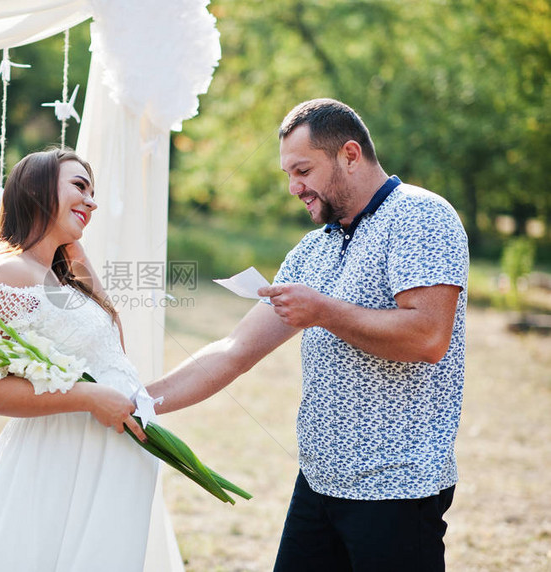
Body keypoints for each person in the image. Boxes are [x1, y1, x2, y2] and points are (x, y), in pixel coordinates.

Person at [148, 98, 469, 571]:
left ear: (350, 155)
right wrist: (140, 400)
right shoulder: (312, 249)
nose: (295, 187)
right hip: (319, 485)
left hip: (397, 488)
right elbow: (234, 350)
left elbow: (427, 337)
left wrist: (322, 311)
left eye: (303, 170)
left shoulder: (420, 216)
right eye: (288, 175)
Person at [0, 149, 158, 572]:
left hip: (105, 462)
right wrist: (88, 397)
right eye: (79, 187)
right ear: (35, 189)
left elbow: (113, 345)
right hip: (57, 461)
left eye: (93, 192)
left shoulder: (59, 275)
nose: (93, 202)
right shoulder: (5, 275)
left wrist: (71, 243)